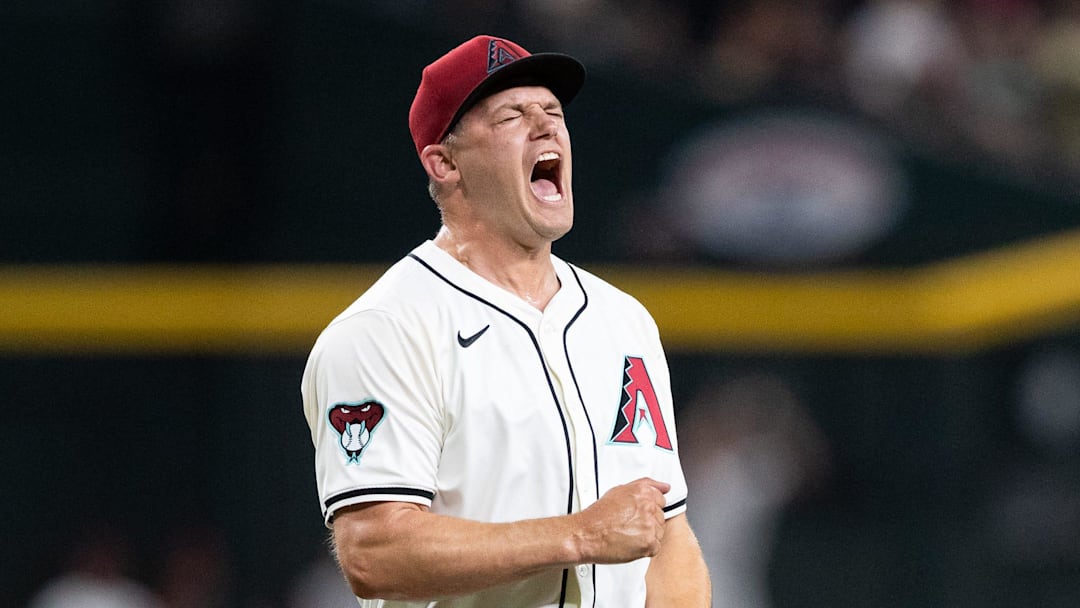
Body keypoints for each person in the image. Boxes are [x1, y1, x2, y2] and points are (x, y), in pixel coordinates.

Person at [300, 35, 710, 608]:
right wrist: (581, 534)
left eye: (554, 113)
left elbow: (667, 536)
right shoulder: (385, 328)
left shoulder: (622, 320)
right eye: (513, 116)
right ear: (444, 163)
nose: (546, 128)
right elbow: (374, 551)